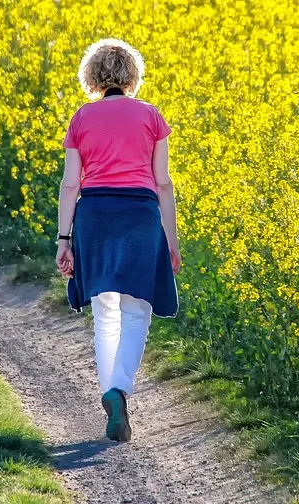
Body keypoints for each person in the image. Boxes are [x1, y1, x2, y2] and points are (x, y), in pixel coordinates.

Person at [55, 38, 181, 442]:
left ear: (92, 77)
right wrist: (171, 240)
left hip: (95, 217)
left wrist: (64, 238)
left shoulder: (81, 118)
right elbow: (162, 183)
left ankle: (112, 395)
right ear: (132, 76)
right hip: (140, 217)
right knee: (136, 311)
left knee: (104, 310)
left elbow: (71, 183)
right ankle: (118, 390)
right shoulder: (151, 116)